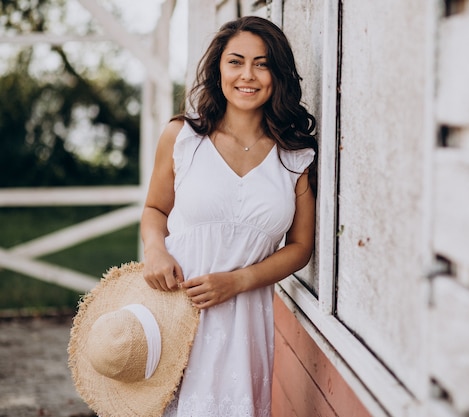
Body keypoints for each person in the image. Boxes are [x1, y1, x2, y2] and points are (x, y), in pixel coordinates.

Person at [140, 16, 317, 416]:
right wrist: (155, 250)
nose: (248, 75)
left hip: (245, 325)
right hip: (177, 309)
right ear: (219, 68)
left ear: (278, 74)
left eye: (263, 63)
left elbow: (301, 246)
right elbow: (154, 209)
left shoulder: (295, 155)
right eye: (236, 61)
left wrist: (239, 280)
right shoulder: (183, 137)